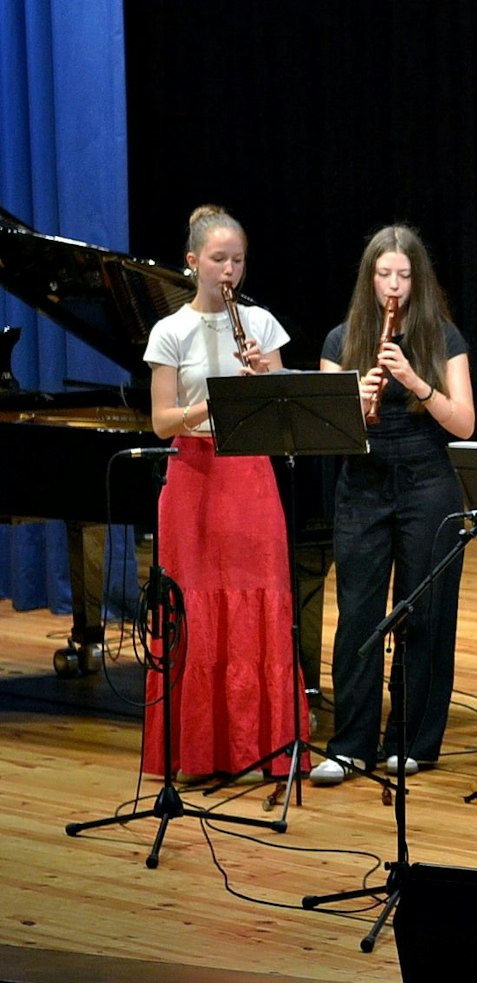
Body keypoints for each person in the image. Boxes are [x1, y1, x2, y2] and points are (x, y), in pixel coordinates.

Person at [140, 205, 305, 780]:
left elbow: (286, 408)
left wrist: (265, 381)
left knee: (257, 602)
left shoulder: (261, 325)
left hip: (250, 478)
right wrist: (216, 403)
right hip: (194, 480)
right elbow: (162, 422)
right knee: (197, 610)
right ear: (192, 263)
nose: (229, 271)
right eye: (218, 260)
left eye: (237, 260)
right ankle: (198, 752)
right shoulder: (170, 330)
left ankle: (261, 748)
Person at [309, 226, 475, 783]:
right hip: (362, 484)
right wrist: (348, 404)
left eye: (404, 276)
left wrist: (417, 383)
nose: (394, 287)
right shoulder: (342, 340)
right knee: (357, 611)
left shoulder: (442, 338)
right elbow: (327, 436)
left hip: (430, 481)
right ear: (370, 278)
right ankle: (350, 743)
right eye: (384, 275)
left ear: (418, 280)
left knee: (423, 611)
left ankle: (411, 738)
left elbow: (466, 424)